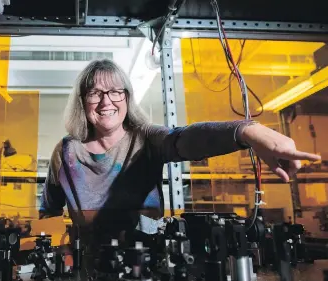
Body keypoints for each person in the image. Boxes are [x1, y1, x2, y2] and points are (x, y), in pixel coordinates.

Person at [39, 59, 320, 250]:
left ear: (127, 97)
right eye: (95, 93)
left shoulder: (146, 139)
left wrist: (248, 132)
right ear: (82, 101)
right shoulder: (66, 152)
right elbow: (49, 213)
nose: (106, 101)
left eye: (115, 92)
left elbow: (185, 139)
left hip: (148, 262)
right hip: (84, 265)